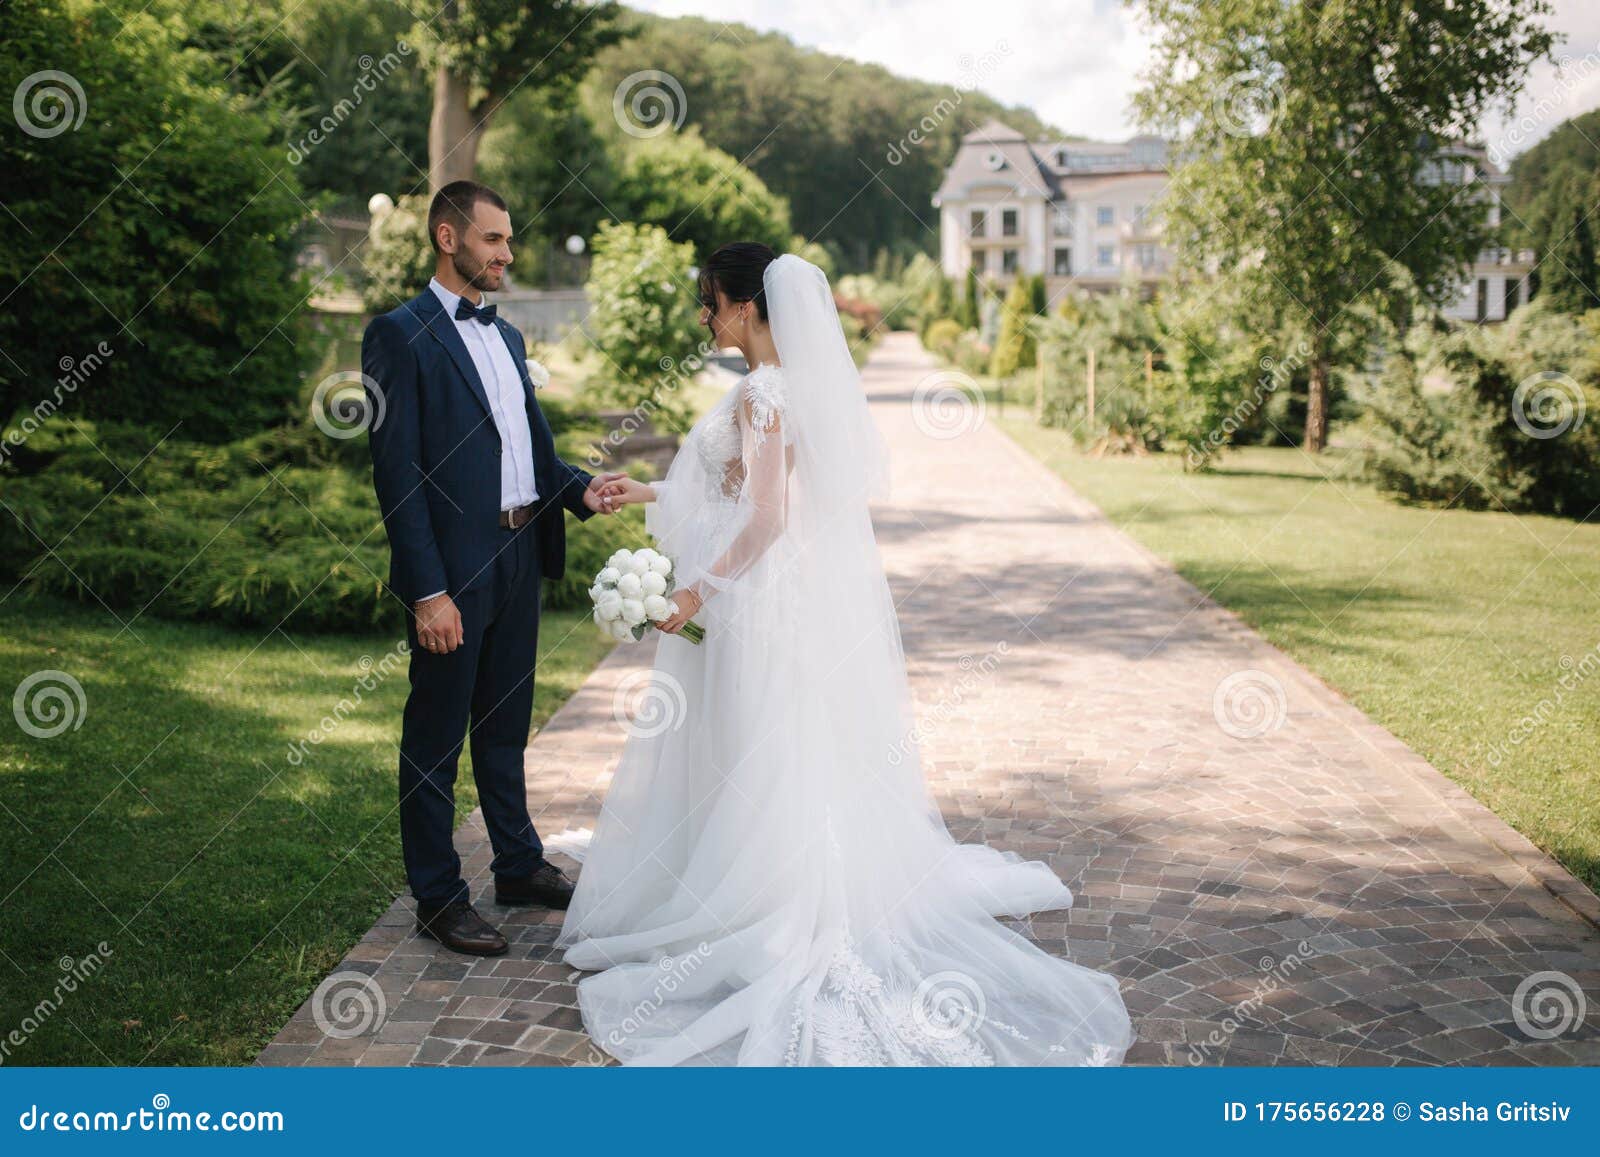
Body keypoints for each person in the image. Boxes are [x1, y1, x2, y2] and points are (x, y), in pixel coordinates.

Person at [553, 243, 1135, 1066]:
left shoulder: (763, 390)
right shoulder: (773, 387)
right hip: (762, 597)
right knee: (765, 750)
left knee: (756, 752)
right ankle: (747, 880)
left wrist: (691, 595)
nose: (706, 317)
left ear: (749, 307)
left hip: (751, 598)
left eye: (712, 302)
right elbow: (733, 493)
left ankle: (767, 903)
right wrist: (649, 491)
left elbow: (765, 520)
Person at [363, 180, 625, 957]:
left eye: (509, 240)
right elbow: (396, 472)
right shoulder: (398, 333)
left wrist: (581, 489)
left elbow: (529, 448)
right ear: (449, 239)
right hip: (454, 569)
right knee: (436, 738)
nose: (507, 253)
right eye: (494, 240)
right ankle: (439, 895)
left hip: (519, 557)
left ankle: (516, 864)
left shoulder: (506, 337)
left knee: (506, 728)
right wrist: (428, 589)